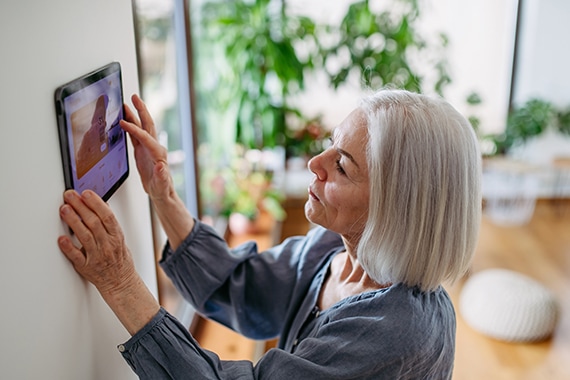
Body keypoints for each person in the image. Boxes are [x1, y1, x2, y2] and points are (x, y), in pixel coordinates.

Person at [57, 89, 482, 379]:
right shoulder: (331, 249)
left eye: (343, 165)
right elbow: (242, 288)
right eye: (331, 144)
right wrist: (163, 194)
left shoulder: (397, 334)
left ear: (396, 207)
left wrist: (120, 282)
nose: (316, 162)